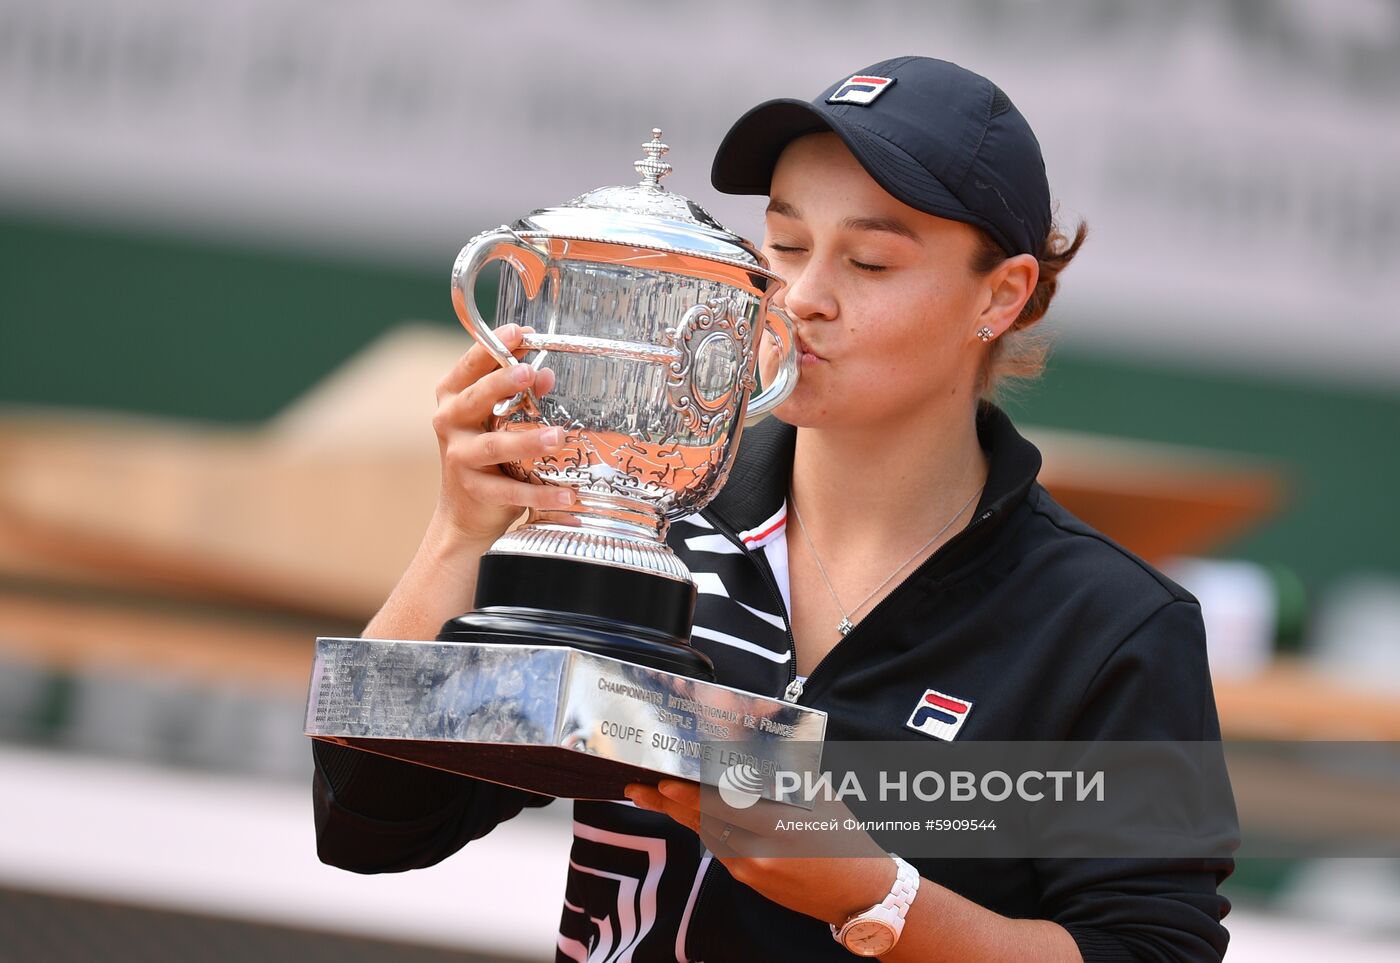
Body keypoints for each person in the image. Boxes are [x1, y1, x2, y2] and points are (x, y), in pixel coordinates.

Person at [313, 56, 1233, 962]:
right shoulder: (647, 518)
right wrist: (457, 535)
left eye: (869, 261)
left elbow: (1154, 949)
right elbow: (371, 826)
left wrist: (879, 898)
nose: (801, 298)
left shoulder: (1111, 627)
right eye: (784, 245)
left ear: (1002, 294)